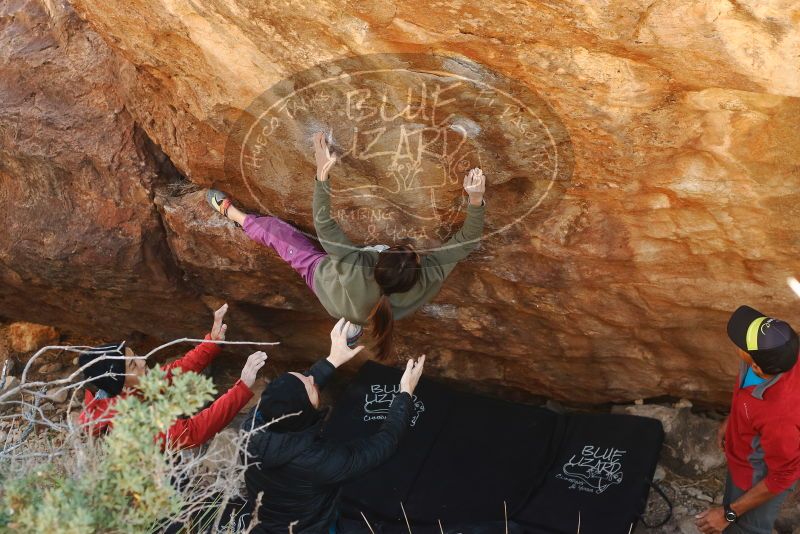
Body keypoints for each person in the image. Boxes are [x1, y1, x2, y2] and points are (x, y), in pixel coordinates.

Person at [207, 131, 486, 358]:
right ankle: (355, 325)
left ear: (376, 261)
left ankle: (232, 213)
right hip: (366, 307)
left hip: (328, 288)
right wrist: (475, 200)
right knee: (365, 309)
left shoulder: (356, 266)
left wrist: (321, 174)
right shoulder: (428, 280)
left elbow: (324, 224)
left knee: (279, 236)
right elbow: (465, 242)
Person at [239, 317, 425, 533]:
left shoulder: (252, 427)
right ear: (305, 411)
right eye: (310, 386)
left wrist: (333, 359)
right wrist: (405, 394)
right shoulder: (317, 462)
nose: (310, 379)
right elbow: (383, 445)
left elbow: (297, 391)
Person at [78, 304, 268, 450]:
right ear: (119, 381)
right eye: (133, 364)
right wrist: (242, 387)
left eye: (135, 355)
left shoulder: (121, 390)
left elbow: (173, 374)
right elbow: (193, 433)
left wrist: (211, 342)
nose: (143, 361)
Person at [695, 305, 800, 534]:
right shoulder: (783, 354)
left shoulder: (779, 415)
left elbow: (784, 475)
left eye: (743, 344)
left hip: (758, 471)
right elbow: (750, 396)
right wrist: (734, 418)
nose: (737, 344)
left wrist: (729, 513)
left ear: (756, 365)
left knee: (745, 527)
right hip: (748, 450)